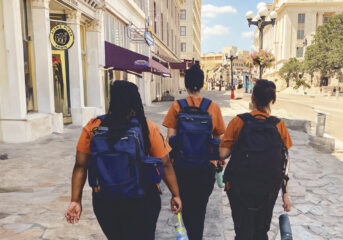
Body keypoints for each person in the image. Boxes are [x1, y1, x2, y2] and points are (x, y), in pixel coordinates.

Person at [65, 80, 182, 240]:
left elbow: (80, 166)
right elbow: (166, 164)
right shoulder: (147, 127)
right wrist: (175, 195)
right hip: (142, 200)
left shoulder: (93, 127)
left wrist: (75, 200)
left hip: (106, 201)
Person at [220, 80, 292, 240]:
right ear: (272, 100)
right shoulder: (279, 125)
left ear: (252, 98)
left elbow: (223, 153)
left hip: (239, 187)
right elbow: (284, 162)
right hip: (268, 189)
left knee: (242, 231)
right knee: (261, 231)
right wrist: (285, 194)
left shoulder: (238, 121)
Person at [163, 64, 226, 240]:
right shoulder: (212, 107)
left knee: (186, 206)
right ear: (203, 83)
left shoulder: (177, 106)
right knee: (200, 209)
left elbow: (170, 142)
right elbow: (220, 137)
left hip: (181, 168)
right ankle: (195, 235)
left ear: (186, 84)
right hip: (205, 168)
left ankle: (192, 234)